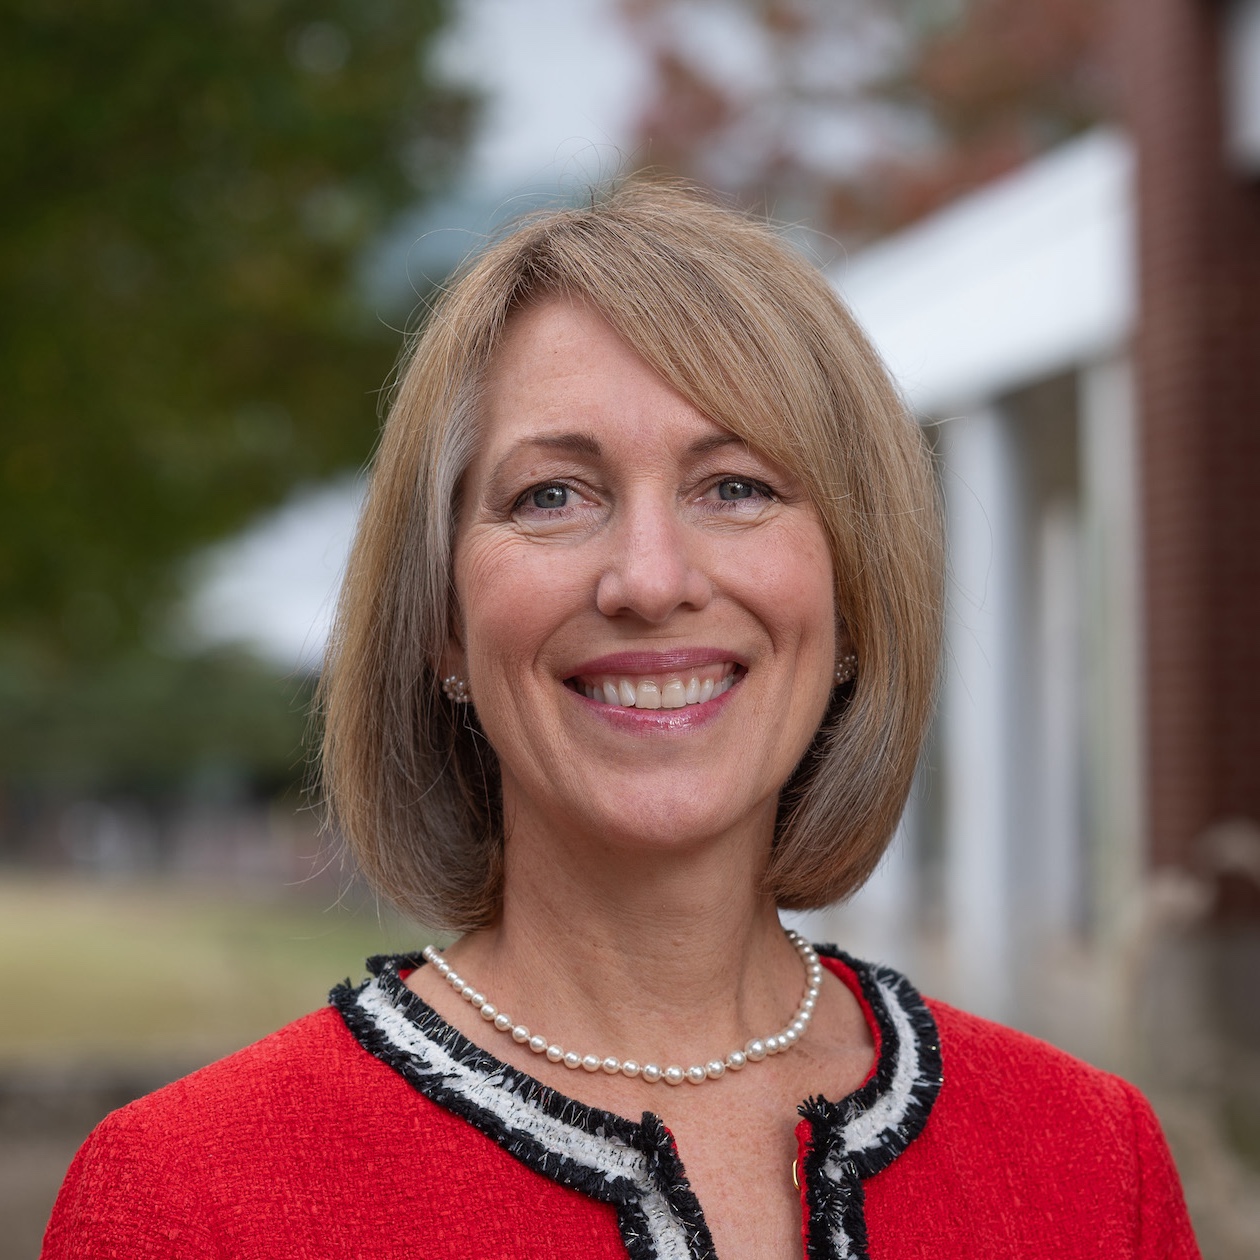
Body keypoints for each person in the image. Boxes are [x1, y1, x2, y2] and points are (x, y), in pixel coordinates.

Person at [43, 180, 1198, 1260]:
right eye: (553, 495)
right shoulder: (187, 1201)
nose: (649, 579)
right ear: (441, 621)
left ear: (852, 597)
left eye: (735, 486)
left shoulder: (1093, 1164)